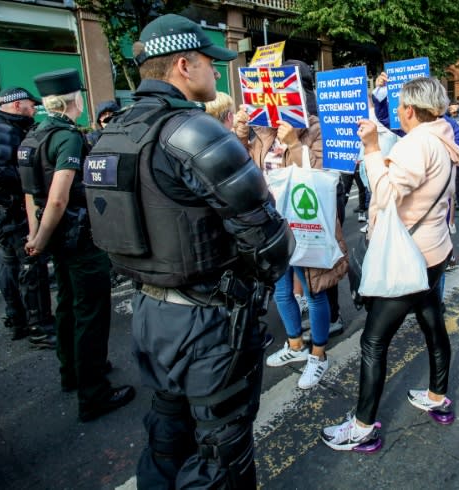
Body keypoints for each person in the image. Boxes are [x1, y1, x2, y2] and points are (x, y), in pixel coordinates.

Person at [87, 14, 292, 488]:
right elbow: (269, 240)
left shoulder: (112, 133)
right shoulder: (192, 131)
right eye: (209, 64)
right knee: (221, 452)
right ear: (184, 64)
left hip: (148, 313)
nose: (215, 73)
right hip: (210, 324)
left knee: (165, 437)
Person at [321, 76, 459, 451]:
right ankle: (438, 397)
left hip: (408, 258)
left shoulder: (416, 145)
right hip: (434, 252)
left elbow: (384, 194)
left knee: (373, 341)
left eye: (400, 106)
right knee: (433, 324)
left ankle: (363, 427)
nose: (397, 111)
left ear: (411, 110)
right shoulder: (442, 136)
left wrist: (370, 149)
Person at [22, 68, 135, 420]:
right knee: (90, 313)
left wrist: (35, 235)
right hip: (79, 237)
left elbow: (32, 195)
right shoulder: (67, 137)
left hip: (54, 235)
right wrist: (40, 237)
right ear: (75, 99)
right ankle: (94, 394)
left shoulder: (34, 136)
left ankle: (70, 373)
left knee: (68, 305)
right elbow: (58, 197)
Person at [234, 59, 348, 389]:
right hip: (272, 226)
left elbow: (318, 177)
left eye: (288, 96)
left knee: (313, 291)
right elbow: (240, 154)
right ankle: (295, 344)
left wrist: (296, 143)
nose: (282, 103)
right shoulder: (266, 130)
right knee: (282, 290)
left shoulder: (315, 127)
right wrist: (243, 125)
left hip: (306, 226)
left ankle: (319, 355)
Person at [0, 87, 56, 347]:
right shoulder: (0, 130)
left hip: (5, 212)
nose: (34, 108)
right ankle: (40, 328)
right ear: (15, 105)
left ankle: (19, 319)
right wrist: (33, 183)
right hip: (9, 212)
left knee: (13, 263)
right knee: (29, 264)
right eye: (30, 104)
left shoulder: (8, 128)